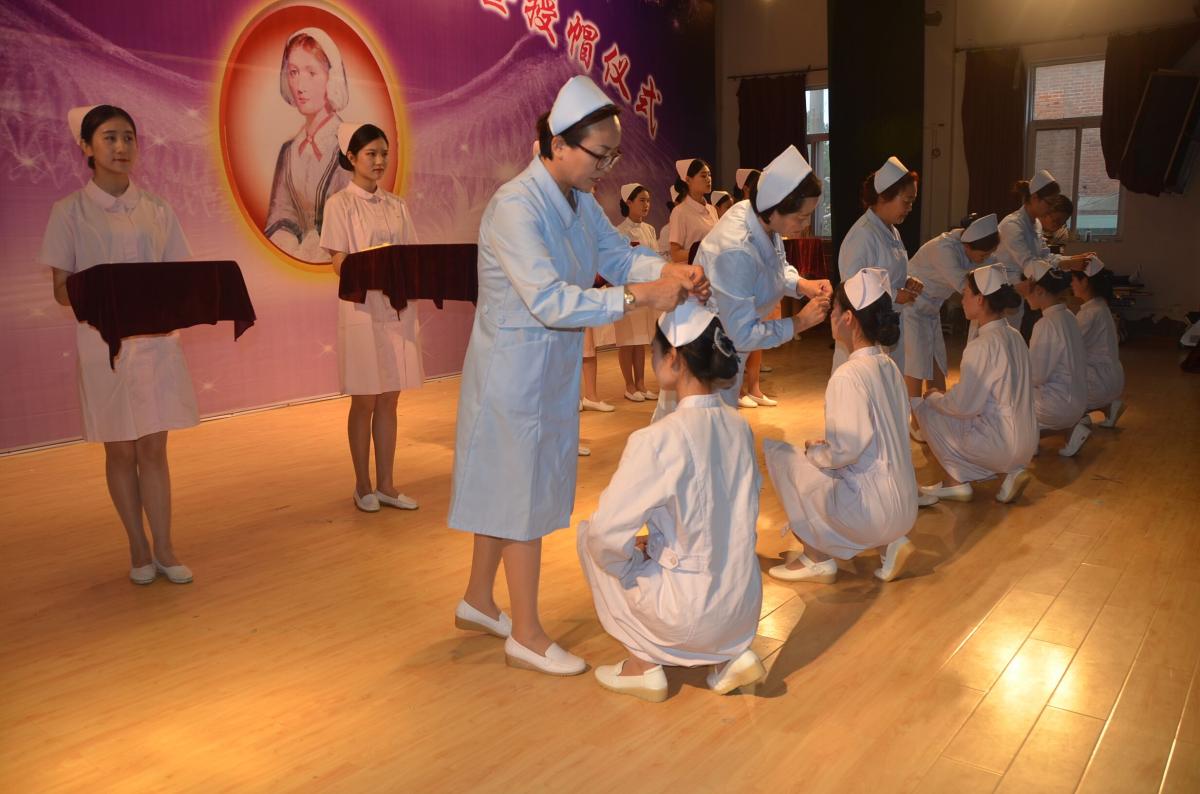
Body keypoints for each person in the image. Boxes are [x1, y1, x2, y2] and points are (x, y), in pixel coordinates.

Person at [448, 76, 707, 676]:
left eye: (613, 156)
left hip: (547, 369)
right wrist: (639, 296)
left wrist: (671, 271)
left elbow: (617, 257)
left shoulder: (578, 202)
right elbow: (549, 300)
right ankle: (527, 635)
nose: (607, 169)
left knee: (509, 488)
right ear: (559, 144)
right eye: (600, 156)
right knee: (521, 499)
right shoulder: (515, 206)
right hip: (512, 374)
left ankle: (479, 599)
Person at [41, 105, 198, 585]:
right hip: (103, 347)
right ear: (86, 147)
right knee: (121, 452)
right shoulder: (69, 212)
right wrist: (106, 291)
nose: (121, 147)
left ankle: (165, 547)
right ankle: (138, 546)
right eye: (109, 137)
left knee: (154, 448)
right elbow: (61, 290)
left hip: (156, 345)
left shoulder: (157, 209)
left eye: (128, 137)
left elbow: (178, 276)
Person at [579, 300, 765, 702]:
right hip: (742, 607)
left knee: (589, 536)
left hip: (688, 612)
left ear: (674, 358)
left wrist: (634, 563)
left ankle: (642, 665)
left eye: (655, 350)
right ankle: (727, 655)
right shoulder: (739, 426)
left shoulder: (658, 439)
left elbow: (606, 535)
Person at [651, 145, 831, 421]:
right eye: (801, 216)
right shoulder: (736, 248)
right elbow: (741, 334)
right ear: (775, 209)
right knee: (694, 433)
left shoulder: (758, 215)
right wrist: (799, 323)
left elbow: (774, 266)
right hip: (702, 358)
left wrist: (801, 284)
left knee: (718, 432)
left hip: (724, 351)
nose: (806, 224)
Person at [764, 268, 919, 584]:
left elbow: (844, 451)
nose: (830, 316)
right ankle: (888, 543)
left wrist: (815, 452)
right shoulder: (889, 364)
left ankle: (816, 558)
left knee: (780, 454)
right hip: (906, 506)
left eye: (833, 309)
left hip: (875, 512)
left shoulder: (849, 375)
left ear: (848, 318)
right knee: (835, 464)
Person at [320, 123, 423, 512]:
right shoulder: (340, 204)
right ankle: (362, 485)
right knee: (364, 399)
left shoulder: (397, 205)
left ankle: (387, 485)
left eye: (383, 153)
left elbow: (411, 256)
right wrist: (371, 267)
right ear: (351, 157)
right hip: (362, 308)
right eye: (371, 154)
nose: (379, 161)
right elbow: (337, 260)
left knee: (390, 399)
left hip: (396, 308)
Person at [913, 265, 1038, 503]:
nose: (962, 300)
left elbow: (964, 406)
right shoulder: (1015, 335)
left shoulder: (982, 345)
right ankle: (1008, 472)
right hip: (1028, 441)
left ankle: (956, 482)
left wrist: (935, 397)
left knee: (925, 408)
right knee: (956, 412)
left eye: (966, 294)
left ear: (980, 299)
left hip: (1002, 444)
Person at [265, 27, 351, 263]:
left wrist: (311, 253)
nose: (299, 86)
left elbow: (350, 223)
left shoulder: (348, 146)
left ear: (331, 78)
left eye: (311, 73)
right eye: (293, 72)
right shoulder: (288, 152)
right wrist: (290, 251)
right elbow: (280, 216)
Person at [978, 170, 1095, 338]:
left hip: (1024, 290)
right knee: (997, 340)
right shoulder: (1012, 225)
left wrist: (1073, 259)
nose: (1051, 208)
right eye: (1049, 202)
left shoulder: (1036, 225)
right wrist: (1067, 268)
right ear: (1034, 198)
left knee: (1014, 341)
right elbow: (1030, 263)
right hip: (1004, 291)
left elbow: (1045, 257)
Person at [834, 156, 924, 372]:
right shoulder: (862, 235)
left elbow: (886, 273)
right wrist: (894, 295)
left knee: (887, 383)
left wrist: (906, 281)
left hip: (887, 327)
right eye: (907, 201)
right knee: (864, 386)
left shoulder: (892, 231)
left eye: (913, 201)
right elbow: (852, 289)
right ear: (884, 197)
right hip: (863, 334)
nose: (910, 208)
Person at [903, 214, 1000, 403]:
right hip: (911, 306)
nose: (985, 259)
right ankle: (916, 418)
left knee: (937, 363)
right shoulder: (943, 249)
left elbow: (995, 267)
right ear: (967, 246)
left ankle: (937, 413)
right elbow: (967, 287)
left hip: (931, 309)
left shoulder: (975, 248)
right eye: (983, 255)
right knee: (916, 367)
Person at [1024, 260, 1092, 457]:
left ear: (1039, 290)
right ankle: (1068, 429)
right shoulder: (1069, 315)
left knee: (1004, 401)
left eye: (1027, 291)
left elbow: (1036, 376)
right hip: (1077, 401)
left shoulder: (1046, 324)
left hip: (1058, 405)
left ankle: (1029, 439)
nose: (1024, 296)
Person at [615, 183, 661, 402]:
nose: (646, 205)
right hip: (627, 289)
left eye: (648, 200)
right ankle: (629, 386)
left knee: (641, 338)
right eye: (642, 200)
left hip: (646, 290)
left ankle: (641, 384)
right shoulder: (619, 231)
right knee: (627, 339)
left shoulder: (650, 229)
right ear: (629, 202)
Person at [1070, 257, 1125, 427]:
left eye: (1073, 280)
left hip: (1098, 383)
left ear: (1085, 281)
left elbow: (1068, 346)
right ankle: (1108, 407)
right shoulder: (1100, 307)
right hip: (1112, 379)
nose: (1071, 284)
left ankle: (1083, 419)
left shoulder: (1089, 313)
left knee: (1059, 401)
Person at [668, 158, 717, 262]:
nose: (708, 179)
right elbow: (675, 254)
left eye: (709, 175)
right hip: (692, 270)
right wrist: (703, 252)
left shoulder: (712, 210)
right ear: (688, 180)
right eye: (703, 176)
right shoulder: (679, 212)